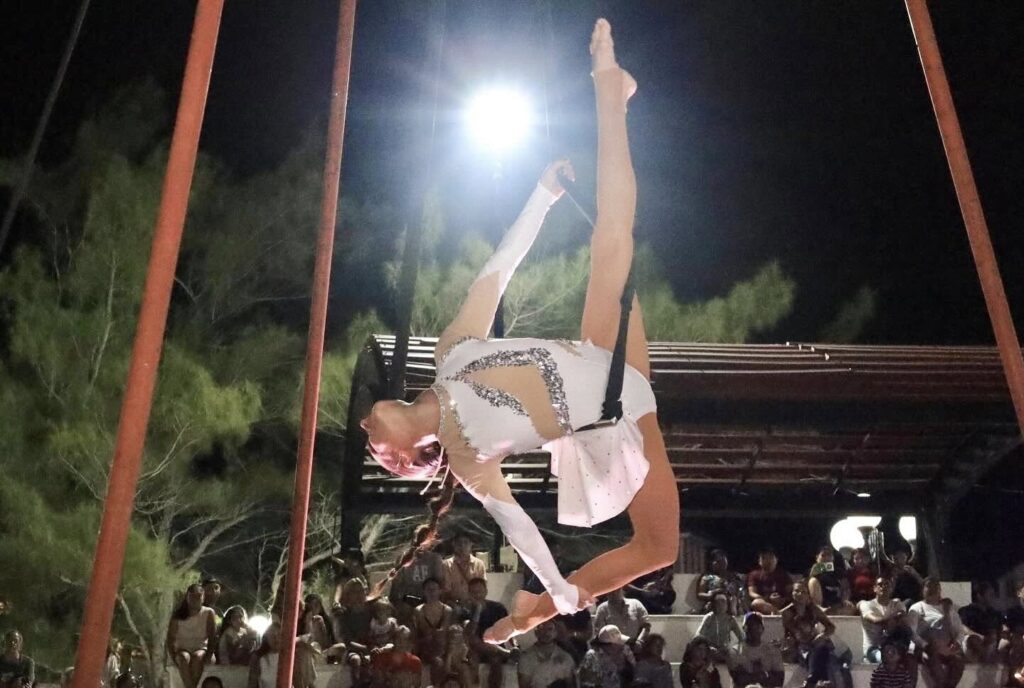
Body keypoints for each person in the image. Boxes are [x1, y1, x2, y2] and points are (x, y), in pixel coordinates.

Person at [362, 17, 680, 643]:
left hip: (601, 358)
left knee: (612, 236)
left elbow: (496, 272)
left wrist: (540, 195)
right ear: (402, 457)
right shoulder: (467, 457)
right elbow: (521, 533)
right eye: (369, 442)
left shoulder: (450, 354)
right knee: (660, 546)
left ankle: (609, 88)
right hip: (613, 412)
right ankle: (536, 607)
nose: (363, 425)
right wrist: (556, 595)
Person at [781, 580, 842, 688]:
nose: (800, 594)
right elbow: (797, 634)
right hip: (799, 647)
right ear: (791, 594)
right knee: (822, 652)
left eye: (804, 592)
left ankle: (812, 680)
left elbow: (830, 627)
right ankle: (819, 680)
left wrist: (822, 635)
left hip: (815, 643)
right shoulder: (787, 612)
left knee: (823, 649)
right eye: (797, 591)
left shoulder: (813, 609)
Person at [908, 579, 965, 688]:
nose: (932, 589)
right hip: (928, 648)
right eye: (929, 586)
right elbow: (912, 633)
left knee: (958, 662)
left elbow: (960, 631)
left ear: (940, 590)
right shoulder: (916, 608)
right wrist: (926, 646)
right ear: (922, 590)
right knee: (933, 660)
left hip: (947, 647)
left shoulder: (950, 609)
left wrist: (957, 643)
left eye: (935, 587)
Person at [465, 577, 518, 688]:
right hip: (474, 648)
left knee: (495, 661)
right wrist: (478, 610)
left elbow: (509, 629)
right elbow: (469, 634)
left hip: (495, 647)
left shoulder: (498, 608)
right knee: (474, 642)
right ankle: (506, 653)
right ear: (469, 593)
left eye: (480, 591)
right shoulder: (465, 609)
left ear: (486, 591)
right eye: (474, 592)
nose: (477, 595)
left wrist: (515, 646)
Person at [167, 583, 217, 688]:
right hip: (182, 649)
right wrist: (173, 656)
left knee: (197, 658)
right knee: (183, 658)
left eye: (198, 596)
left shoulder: (208, 613)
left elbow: (212, 637)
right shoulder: (178, 615)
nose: (195, 599)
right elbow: (170, 639)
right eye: (192, 596)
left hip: (202, 649)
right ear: (187, 597)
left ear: (203, 598)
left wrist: (208, 655)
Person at [857, 577, 911, 664]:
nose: (884, 587)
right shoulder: (866, 604)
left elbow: (902, 615)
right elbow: (874, 620)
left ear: (891, 589)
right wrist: (893, 617)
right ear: (874, 588)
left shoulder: (896, 604)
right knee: (888, 657)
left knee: (909, 659)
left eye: (887, 585)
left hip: (892, 646)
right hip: (872, 649)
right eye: (880, 585)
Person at [413, 577, 455, 686]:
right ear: (424, 592)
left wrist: (437, 633)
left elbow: (443, 631)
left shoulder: (447, 610)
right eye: (428, 590)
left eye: (434, 589)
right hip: (425, 646)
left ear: (440, 591)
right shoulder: (419, 610)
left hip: (441, 646)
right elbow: (425, 631)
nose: (432, 592)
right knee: (437, 661)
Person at [332, 578, 374, 685]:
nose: (358, 595)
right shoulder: (344, 614)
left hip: (371, 648)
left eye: (361, 591)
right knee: (356, 660)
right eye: (355, 592)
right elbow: (347, 641)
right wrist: (364, 649)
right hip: (352, 649)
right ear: (348, 595)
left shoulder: (371, 611)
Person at [389, 548, 445, 626]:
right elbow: (396, 583)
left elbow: (439, 582)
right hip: (409, 598)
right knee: (405, 609)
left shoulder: (435, 558)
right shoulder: (403, 558)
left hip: (428, 598)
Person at [727, 613, 784, 688]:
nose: (753, 628)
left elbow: (779, 680)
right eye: (750, 625)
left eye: (757, 625)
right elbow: (738, 679)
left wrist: (751, 676)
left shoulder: (773, 651)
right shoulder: (734, 651)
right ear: (744, 628)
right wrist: (765, 675)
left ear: (762, 629)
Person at [517, 620, 576, 688]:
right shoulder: (526, 657)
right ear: (536, 632)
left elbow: (570, 684)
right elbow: (524, 685)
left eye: (550, 629)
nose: (546, 633)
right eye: (542, 629)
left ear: (556, 632)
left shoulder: (566, 658)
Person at [958, 581, 1003, 663]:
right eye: (990, 595)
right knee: (973, 639)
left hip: (991, 643)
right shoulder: (966, 611)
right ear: (980, 596)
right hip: (973, 645)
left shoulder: (994, 613)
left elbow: (1002, 628)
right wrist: (981, 637)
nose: (993, 598)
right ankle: (986, 659)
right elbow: (962, 627)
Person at [444, 534, 488, 611]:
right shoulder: (446, 565)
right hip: (455, 606)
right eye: (459, 543)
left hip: (475, 605)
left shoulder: (479, 564)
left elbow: (482, 588)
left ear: (471, 544)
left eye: (466, 542)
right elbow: (446, 590)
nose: (462, 546)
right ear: (454, 545)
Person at [808, 546, 855, 616]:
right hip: (822, 602)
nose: (826, 558)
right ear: (817, 557)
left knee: (851, 608)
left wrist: (845, 599)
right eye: (823, 555)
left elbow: (846, 588)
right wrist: (824, 565)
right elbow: (816, 570)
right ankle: (820, 609)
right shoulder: (815, 569)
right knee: (813, 581)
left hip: (836, 603)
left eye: (829, 555)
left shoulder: (838, 572)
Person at [696, 593, 743, 662]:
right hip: (710, 651)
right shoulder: (709, 617)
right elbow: (698, 636)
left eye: (723, 601)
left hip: (725, 652)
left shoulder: (731, 619)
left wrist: (735, 649)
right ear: (713, 605)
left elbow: (742, 637)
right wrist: (708, 647)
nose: (720, 605)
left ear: (727, 604)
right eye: (717, 602)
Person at [698, 550, 746, 615]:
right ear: (712, 563)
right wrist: (711, 594)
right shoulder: (707, 577)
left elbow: (740, 589)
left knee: (734, 599)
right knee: (721, 598)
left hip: (732, 599)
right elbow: (700, 594)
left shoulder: (733, 576)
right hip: (715, 601)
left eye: (724, 561)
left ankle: (733, 610)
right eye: (719, 561)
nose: (722, 564)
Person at [747, 549, 792, 616]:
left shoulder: (783, 575)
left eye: (770, 557)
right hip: (764, 602)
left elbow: (790, 591)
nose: (768, 560)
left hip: (781, 603)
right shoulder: (754, 575)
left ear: (776, 560)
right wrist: (767, 599)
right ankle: (776, 613)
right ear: (759, 561)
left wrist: (783, 599)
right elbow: (752, 592)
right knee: (756, 603)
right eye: (764, 558)